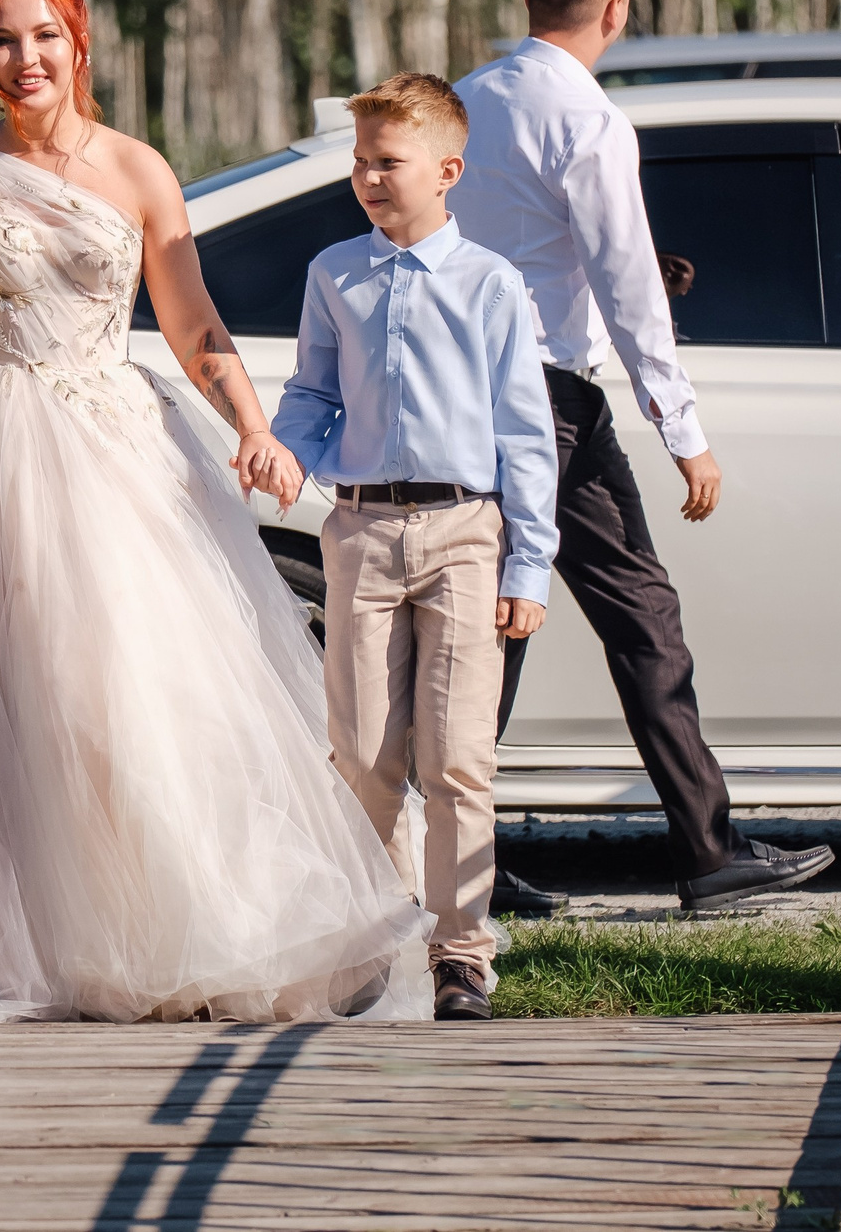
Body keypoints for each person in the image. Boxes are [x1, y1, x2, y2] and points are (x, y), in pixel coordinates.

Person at [0, 0, 434, 1022]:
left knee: (145, 690)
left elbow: (192, 322)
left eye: (43, 35)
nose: (25, 61)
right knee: (16, 701)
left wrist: (252, 425)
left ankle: (179, 930)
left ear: (78, 39)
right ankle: (32, 946)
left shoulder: (139, 170)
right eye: (3, 41)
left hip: (117, 445)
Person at [449, 0, 834, 911]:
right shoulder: (588, 120)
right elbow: (621, 282)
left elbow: (518, 251)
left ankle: (453, 866)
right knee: (640, 618)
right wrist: (682, 429)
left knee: (491, 628)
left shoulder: (463, 103)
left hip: (463, 392)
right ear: (614, 11)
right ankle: (708, 854)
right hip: (550, 406)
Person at [269, 73, 558, 1021]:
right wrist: (286, 451)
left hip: (465, 534)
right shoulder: (332, 274)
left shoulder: (491, 285)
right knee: (360, 752)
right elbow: (314, 395)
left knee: (458, 756)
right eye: (358, 161)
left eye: (385, 162)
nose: (366, 177)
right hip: (360, 530)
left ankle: (462, 955)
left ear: (447, 170)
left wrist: (528, 563)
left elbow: (524, 432)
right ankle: (368, 937)